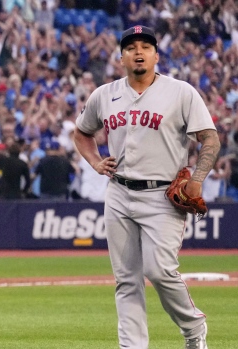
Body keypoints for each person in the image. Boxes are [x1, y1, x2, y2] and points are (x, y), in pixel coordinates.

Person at [73, 25, 218, 349]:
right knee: (126, 280)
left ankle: (193, 328)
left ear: (156, 54)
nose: (138, 51)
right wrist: (96, 162)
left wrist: (197, 179)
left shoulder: (180, 92)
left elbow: (209, 137)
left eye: (145, 46)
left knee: (160, 269)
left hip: (162, 196)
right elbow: (82, 133)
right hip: (119, 193)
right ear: (121, 56)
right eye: (131, 47)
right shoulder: (104, 94)